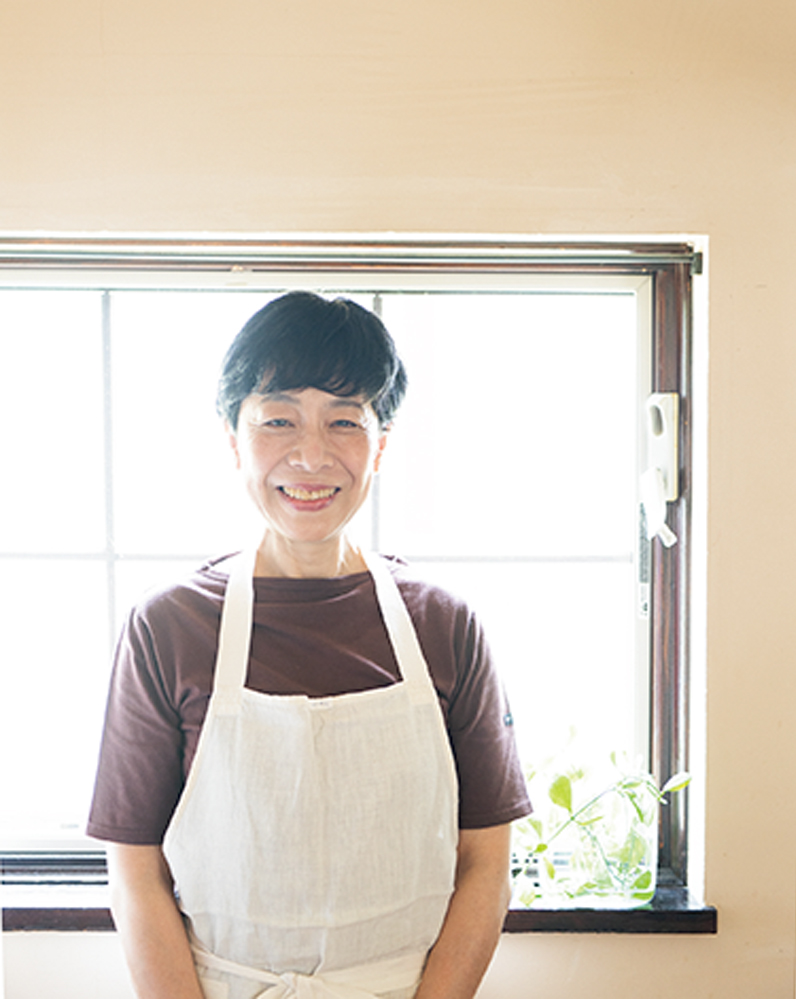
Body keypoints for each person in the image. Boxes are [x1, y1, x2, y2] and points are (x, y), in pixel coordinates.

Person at [87, 291, 531, 999]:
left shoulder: (445, 626)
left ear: (380, 445)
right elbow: (135, 869)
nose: (311, 454)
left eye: (344, 421)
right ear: (234, 439)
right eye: (279, 420)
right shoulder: (168, 626)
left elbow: (485, 861)